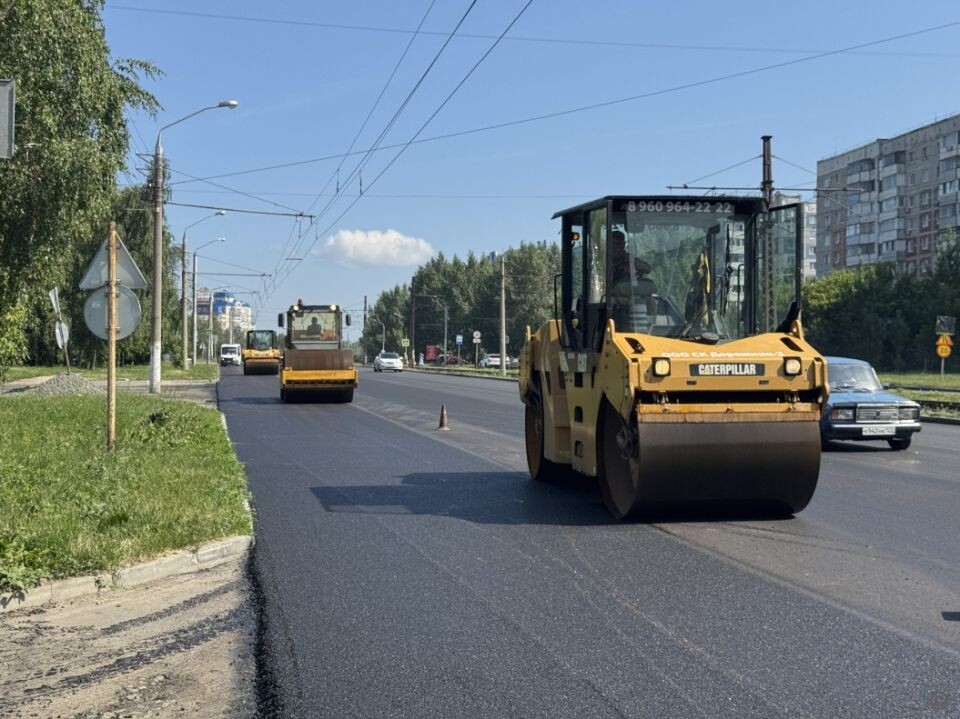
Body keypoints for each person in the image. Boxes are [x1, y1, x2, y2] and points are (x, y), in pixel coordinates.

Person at [609, 231, 657, 332]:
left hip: (632, 293)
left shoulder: (628, 258)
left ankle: (650, 330)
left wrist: (631, 262)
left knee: (652, 301)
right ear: (610, 245)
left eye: (621, 244)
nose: (618, 247)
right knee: (608, 304)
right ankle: (610, 329)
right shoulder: (605, 260)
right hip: (613, 295)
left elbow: (647, 268)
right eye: (615, 244)